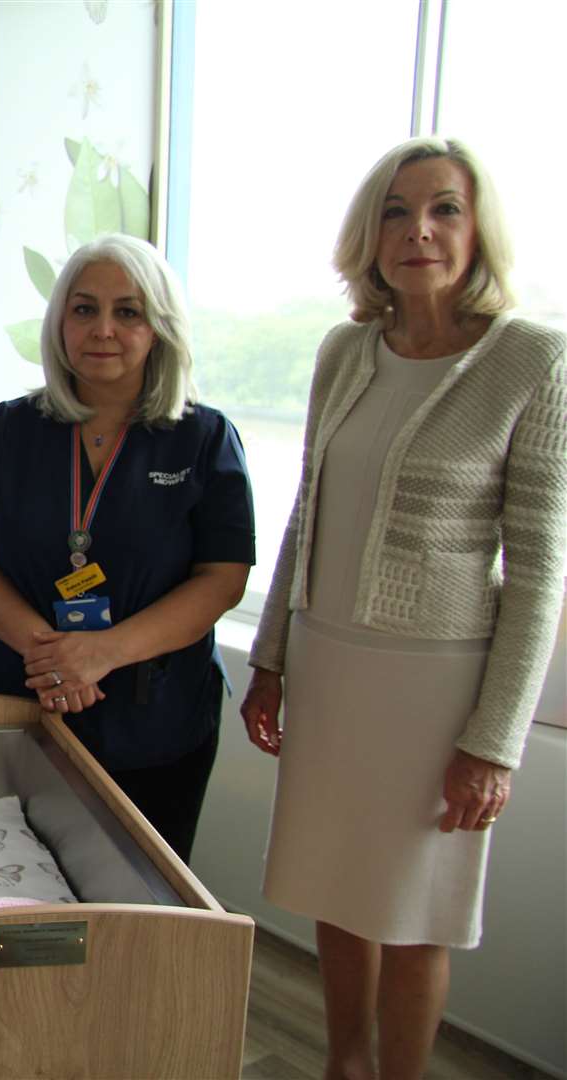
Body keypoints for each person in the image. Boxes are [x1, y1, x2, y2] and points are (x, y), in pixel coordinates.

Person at [241, 136, 566, 1080]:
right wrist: (269, 659)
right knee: (336, 888)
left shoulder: (531, 360)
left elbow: (542, 571)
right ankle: (345, 1066)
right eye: (395, 210)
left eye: (444, 208)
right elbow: (308, 507)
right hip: (332, 667)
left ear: (477, 230)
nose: (417, 229)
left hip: (440, 689)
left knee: (419, 909)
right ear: (370, 234)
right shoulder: (346, 351)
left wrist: (494, 740)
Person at [0, 234, 254, 862]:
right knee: (10, 882)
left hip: (155, 717)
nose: (103, 329)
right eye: (84, 309)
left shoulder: (203, 436)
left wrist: (101, 654)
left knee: (138, 906)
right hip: (21, 694)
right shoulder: (14, 425)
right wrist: (50, 655)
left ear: (159, 328)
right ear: (61, 321)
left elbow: (222, 578)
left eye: (129, 312)